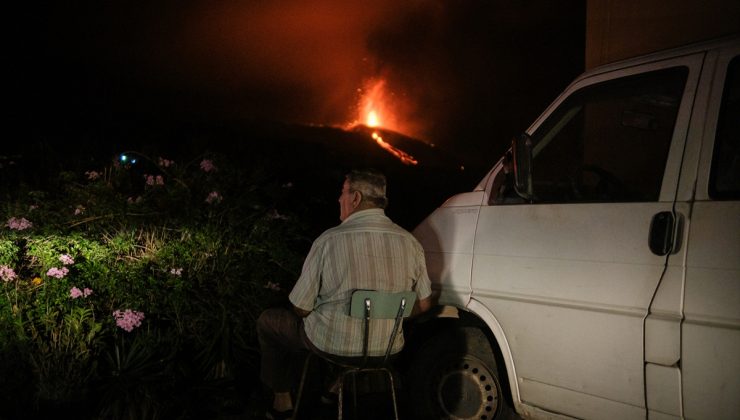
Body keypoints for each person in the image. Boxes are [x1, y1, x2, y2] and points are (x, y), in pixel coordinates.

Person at [257, 169, 433, 419]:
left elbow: (300, 308)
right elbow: (424, 305)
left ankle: (282, 401)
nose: (339, 199)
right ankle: (335, 387)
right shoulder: (411, 243)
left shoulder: (328, 241)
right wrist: (391, 310)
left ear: (356, 198)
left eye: (342, 193)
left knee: (269, 322)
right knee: (353, 327)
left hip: (330, 345)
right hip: (387, 350)